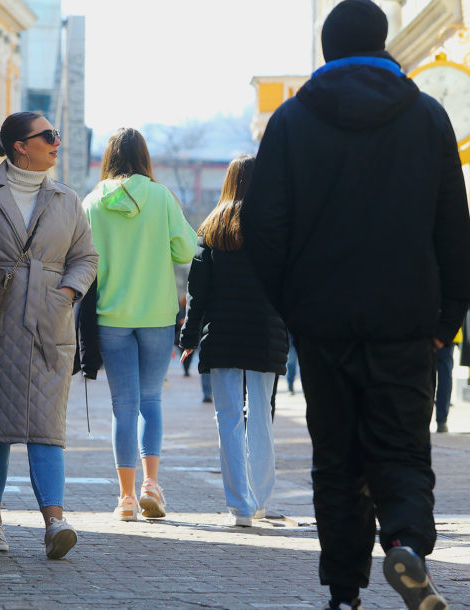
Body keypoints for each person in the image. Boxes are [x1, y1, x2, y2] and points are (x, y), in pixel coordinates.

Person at [240, 1, 470, 607]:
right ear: (385, 41)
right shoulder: (427, 117)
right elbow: (455, 226)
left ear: (326, 51)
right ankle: (407, 545)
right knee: (401, 447)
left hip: (324, 324)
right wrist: (447, 319)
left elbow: (262, 227)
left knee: (337, 457)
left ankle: (344, 592)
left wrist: (295, 306)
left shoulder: (289, 122)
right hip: (407, 320)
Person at [0, 111, 98, 559]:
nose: (57, 143)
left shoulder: (66, 198)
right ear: (21, 145)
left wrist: (69, 289)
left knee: (46, 427)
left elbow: (86, 256)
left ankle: (55, 521)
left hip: (48, 325)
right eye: (49, 136)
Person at [80, 127, 196, 523]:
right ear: (144, 157)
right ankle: (151, 485)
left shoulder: (92, 202)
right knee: (151, 402)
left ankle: (126, 497)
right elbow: (186, 250)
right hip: (156, 316)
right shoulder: (161, 197)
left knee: (123, 407)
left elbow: (80, 258)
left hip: (110, 317)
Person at [178, 154, 288, 528]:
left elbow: (198, 293)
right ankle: (260, 498)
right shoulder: (278, 229)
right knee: (261, 417)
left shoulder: (212, 229)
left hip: (222, 334)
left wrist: (189, 337)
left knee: (228, 418)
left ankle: (240, 506)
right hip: (266, 336)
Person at [433, 332, 459, 433]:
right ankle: (442, 422)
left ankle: (421, 418)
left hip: (425, 332)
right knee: (445, 375)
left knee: (424, 375)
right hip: (448, 332)